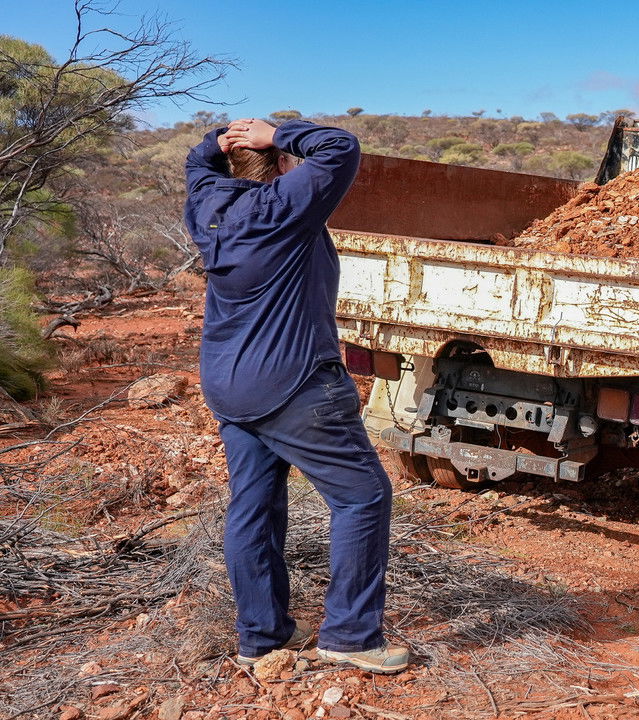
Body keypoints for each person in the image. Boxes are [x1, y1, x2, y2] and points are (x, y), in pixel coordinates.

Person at [184, 118, 408, 674]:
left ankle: (262, 635)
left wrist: (218, 141)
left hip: (228, 383)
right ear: (283, 164)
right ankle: (351, 635)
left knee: (254, 506)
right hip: (294, 383)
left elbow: (197, 165)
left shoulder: (209, 208)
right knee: (362, 497)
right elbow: (340, 146)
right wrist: (278, 132)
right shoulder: (284, 208)